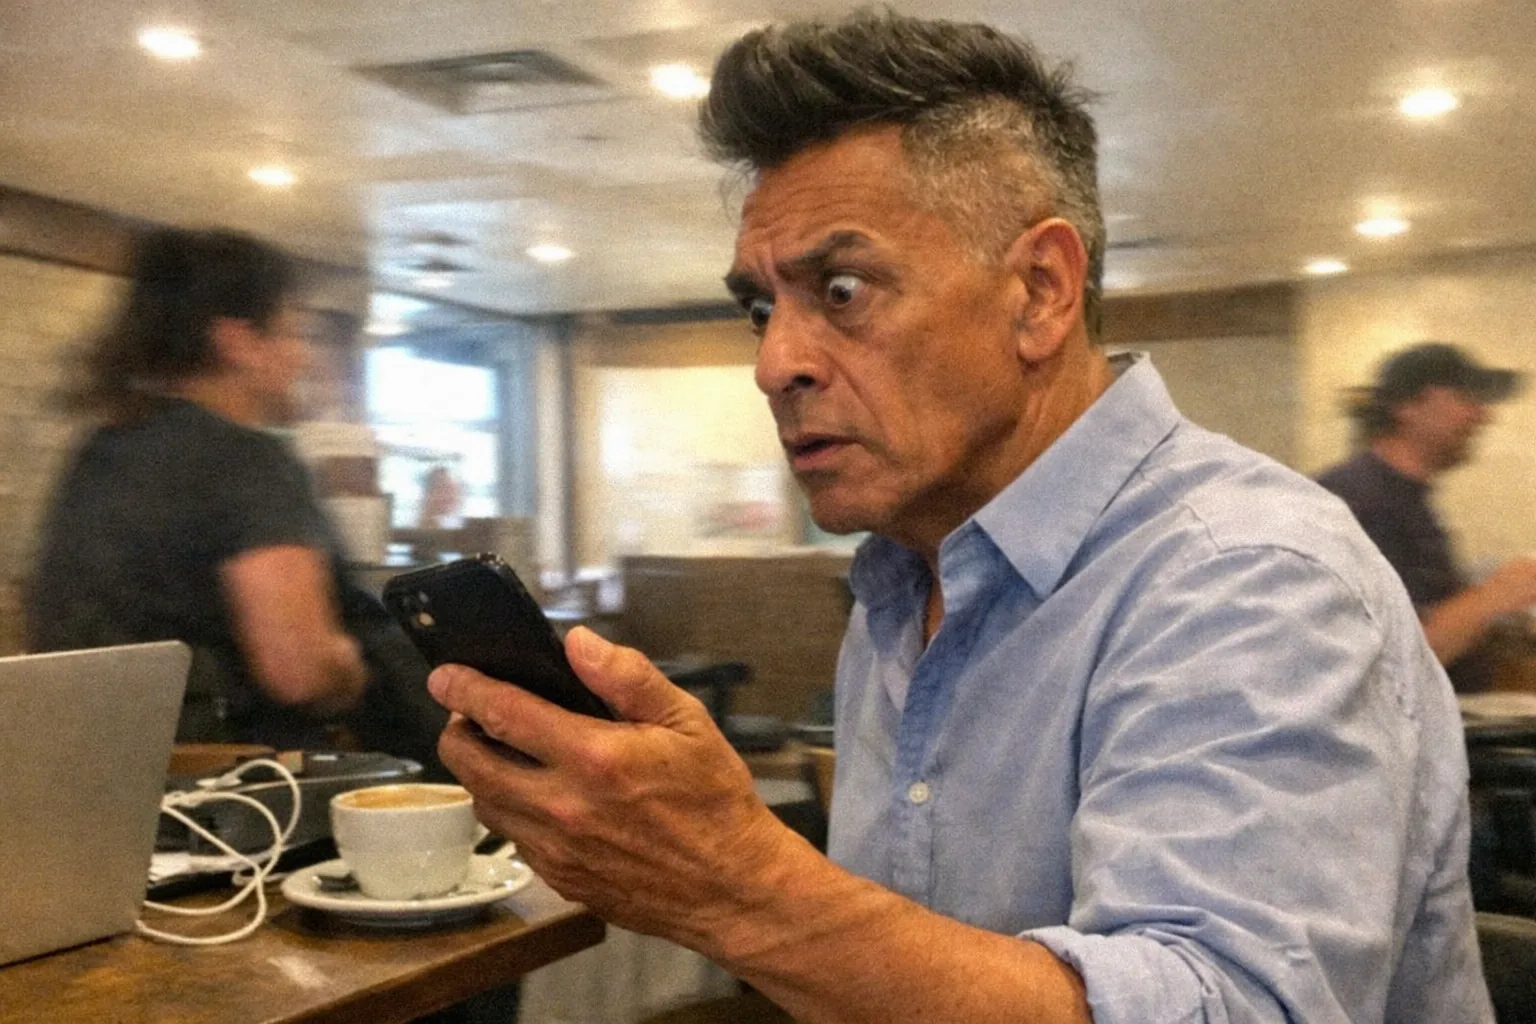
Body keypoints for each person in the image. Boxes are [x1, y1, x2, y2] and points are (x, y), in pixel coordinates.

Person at [428, 12, 1491, 1022]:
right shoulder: (901, 583)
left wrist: (740, 887)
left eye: (841, 290)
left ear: (1038, 291)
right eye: (762, 307)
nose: (773, 362)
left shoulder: (1247, 576)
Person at [27, 227, 447, 773]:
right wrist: (358, 661)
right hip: (239, 803)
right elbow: (299, 668)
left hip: (92, 781)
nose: (302, 359)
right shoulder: (248, 460)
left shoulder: (99, 451)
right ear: (237, 341)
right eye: (293, 334)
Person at [1316, 342, 1536, 693]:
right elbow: (1389, 658)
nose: (1483, 415)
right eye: (1466, 397)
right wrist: (1500, 592)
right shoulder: (1361, 501)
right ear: (1408, 406)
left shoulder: (1406, 498)